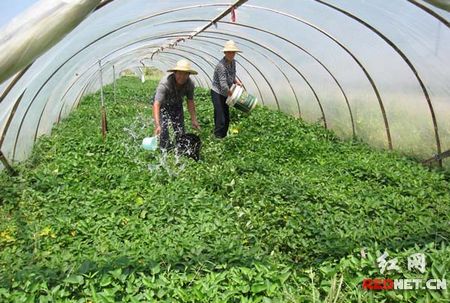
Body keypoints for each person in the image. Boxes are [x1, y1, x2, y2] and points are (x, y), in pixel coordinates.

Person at [153, 59, 200, 150]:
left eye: (185, 74)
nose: (182, 77)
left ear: (189, 75)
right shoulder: (165, 83)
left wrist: (194, 119)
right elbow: (156, 104)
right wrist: (157, 124)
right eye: (179, 73)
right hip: (162, 104)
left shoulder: (190, 84)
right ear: (175, 73)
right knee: (163, 130)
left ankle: (180, 150)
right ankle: (165, 150)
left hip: (176, 104)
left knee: (180, 130)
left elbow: (190, 101)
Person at [211, 40, 243, 138]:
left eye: (233, 52)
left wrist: (236, 82)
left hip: (226, 92)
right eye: (229, 52)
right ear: (225, 53)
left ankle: (223, 136)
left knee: (226, 117)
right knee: (220, 117)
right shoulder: (221, 66)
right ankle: (217, 137)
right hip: (217, 92)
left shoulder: (233, 62)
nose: (231, 54)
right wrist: (232, 94)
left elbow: (232, 76)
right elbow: (223, 84)